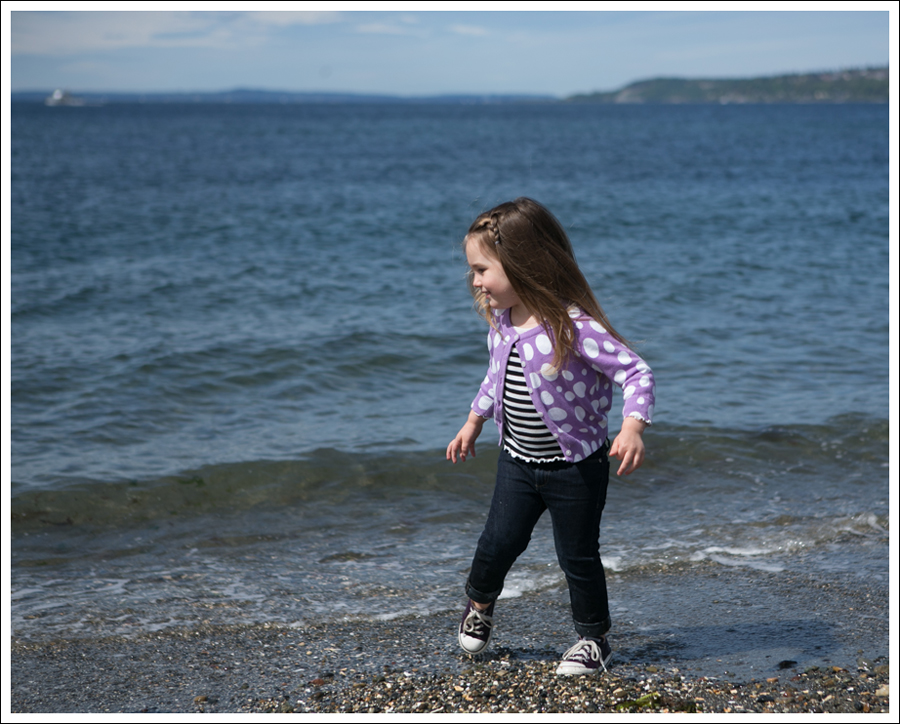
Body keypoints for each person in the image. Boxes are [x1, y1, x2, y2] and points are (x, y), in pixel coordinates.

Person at [446, 198, 655, 676]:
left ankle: (593, 640)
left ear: (522, 264)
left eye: (481, 269)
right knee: (497, 542)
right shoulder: (502, 321)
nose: (474, 281)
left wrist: (631, 426)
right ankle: (478, 608)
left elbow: (637, 373)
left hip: (577, 466)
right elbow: (495, 377)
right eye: (472, 270)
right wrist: (474, 420)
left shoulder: (574, 327)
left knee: (577, 556)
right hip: (517, 461)